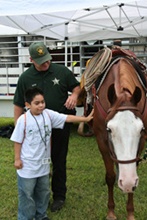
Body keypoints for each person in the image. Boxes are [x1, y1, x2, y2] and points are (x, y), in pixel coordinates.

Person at [13, 41, 81, 212]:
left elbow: (77, 87)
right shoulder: (25, 78)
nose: (46, 63)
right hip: (35, 128)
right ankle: (37, 194)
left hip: (58, 124)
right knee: (36, 159)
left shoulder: (62, 71)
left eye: (47, 59)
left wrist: (74, 95)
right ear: (31, 59)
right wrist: (18, 129)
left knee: (58, 160)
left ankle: (59, 196)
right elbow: (18, 104)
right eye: (41, 61)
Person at [10, 87, 93, 220]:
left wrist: (86, 119)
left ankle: (41, 215)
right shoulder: (23, 120)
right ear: (27, 105)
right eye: (37, 103)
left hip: (43, 166)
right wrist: (17, 159)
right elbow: (17, 141)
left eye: (43, 102)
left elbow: (67, 118)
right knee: (27, 194)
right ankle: (25, 217)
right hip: (27, 166)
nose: (41, 105)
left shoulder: (48, 114)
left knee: (43, 192)